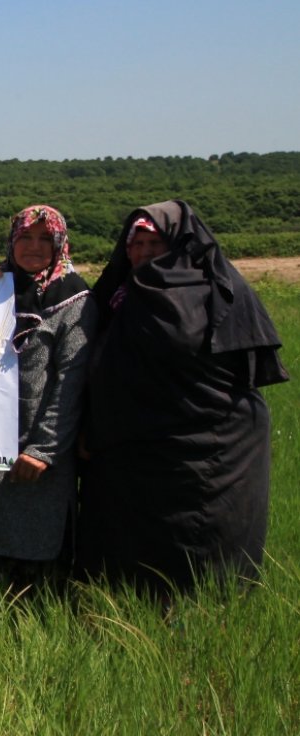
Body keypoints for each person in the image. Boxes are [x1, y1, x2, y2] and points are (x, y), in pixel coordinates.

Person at [77, 200, 287, 597]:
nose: (143, 253)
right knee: (129, 543)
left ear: (177, 244)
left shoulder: (217, 290)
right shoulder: (118, 294)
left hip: (210, 444)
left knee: (202, 544)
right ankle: (125, 605)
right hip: (132, 440)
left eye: (153, 244)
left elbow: (234, 370)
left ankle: (209, 611)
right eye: (135, 244)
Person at [0, 206, 94, 588]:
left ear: (61, 245)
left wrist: (43, 450)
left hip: (34, 457)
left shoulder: (74, 299)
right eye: (25, 237)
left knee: (31, 559)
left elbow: (71, 381)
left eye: (45, 239)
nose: (34, 247)